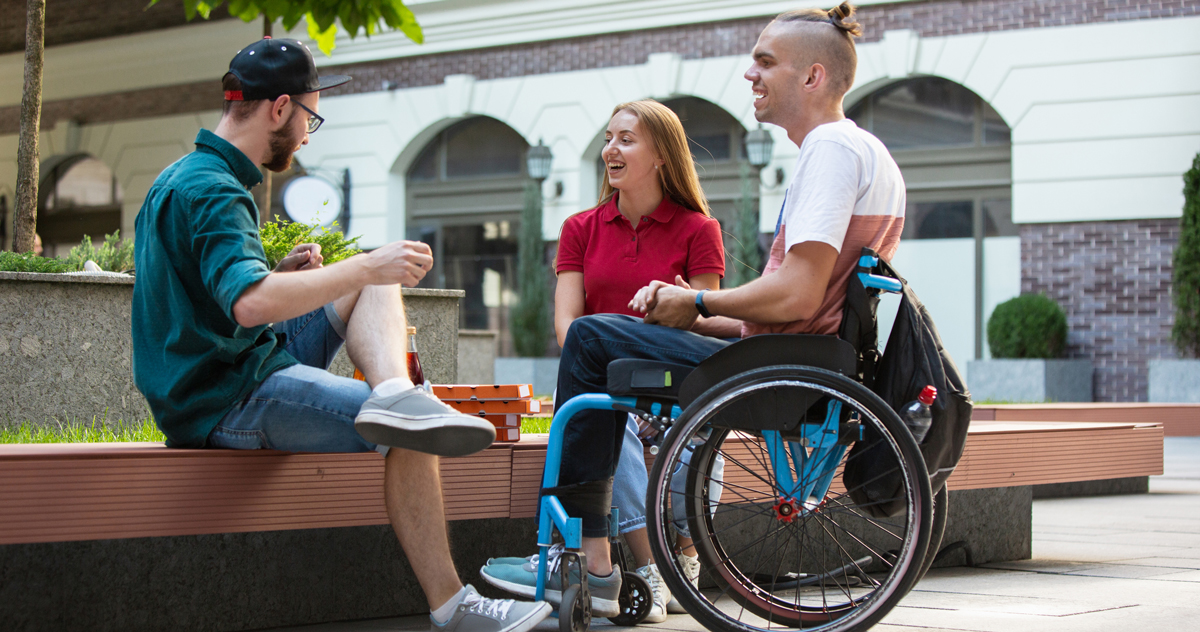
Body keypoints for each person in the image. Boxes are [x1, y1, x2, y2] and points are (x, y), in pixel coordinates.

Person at [130, 37, 550, 632]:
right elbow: (249, 306)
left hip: (225, 366)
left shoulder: (186, 174)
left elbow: (212, 299)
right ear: (279, 108)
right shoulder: (215, 190)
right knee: (412, 433)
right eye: (311, 116)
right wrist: (363, 266)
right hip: (224, 397)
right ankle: (453, 607)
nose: (307, 132)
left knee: (367, 286)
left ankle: (394, 395)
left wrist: (298, 278)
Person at [496, 0, 906, 605]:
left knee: (589, 339)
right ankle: (599, 562)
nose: (750, 75)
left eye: (765, 62)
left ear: (813, 77)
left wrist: (697, 300)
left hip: (782, 364)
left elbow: (798, 292)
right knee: (599, 342)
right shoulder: (866, 150)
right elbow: (797, 298)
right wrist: (693, 308)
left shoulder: (832, 150)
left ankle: (584, 563)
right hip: (802, 357)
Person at [480, 100, 727, 622]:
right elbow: (568, 328)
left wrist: (671, 308)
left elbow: (701, 323)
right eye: (609, 139)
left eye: (627, 139)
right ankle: (650, 565)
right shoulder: (580, 228)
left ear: (662, 154)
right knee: (615, 419)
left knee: (628, 421)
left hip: (672, 382)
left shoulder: (699, 229)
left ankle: (642, 561)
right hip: (605, 379)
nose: (610, 150)